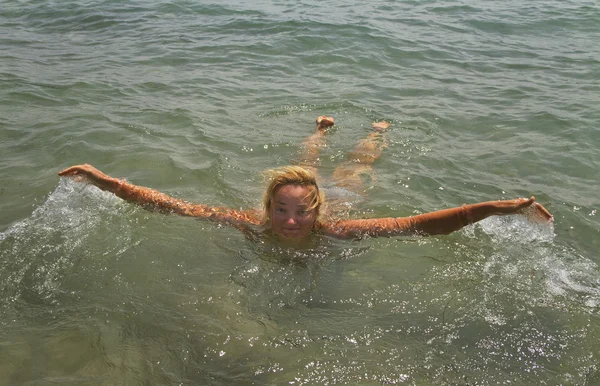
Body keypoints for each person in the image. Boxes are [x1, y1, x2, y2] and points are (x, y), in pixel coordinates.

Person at [58, 116, 553, 244]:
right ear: (268, 208)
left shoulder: (337, 228)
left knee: (357, 166)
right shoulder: (249, 222)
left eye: (299, 211)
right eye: (281, 210)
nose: (290, 221)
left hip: (344, 196)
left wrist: (493, 207)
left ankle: (376, 132)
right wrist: (105, 181)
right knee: (306, 162)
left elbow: (422, 224)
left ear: (317, 212)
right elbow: (171, 205)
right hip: (314, 184)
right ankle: (319, 130)